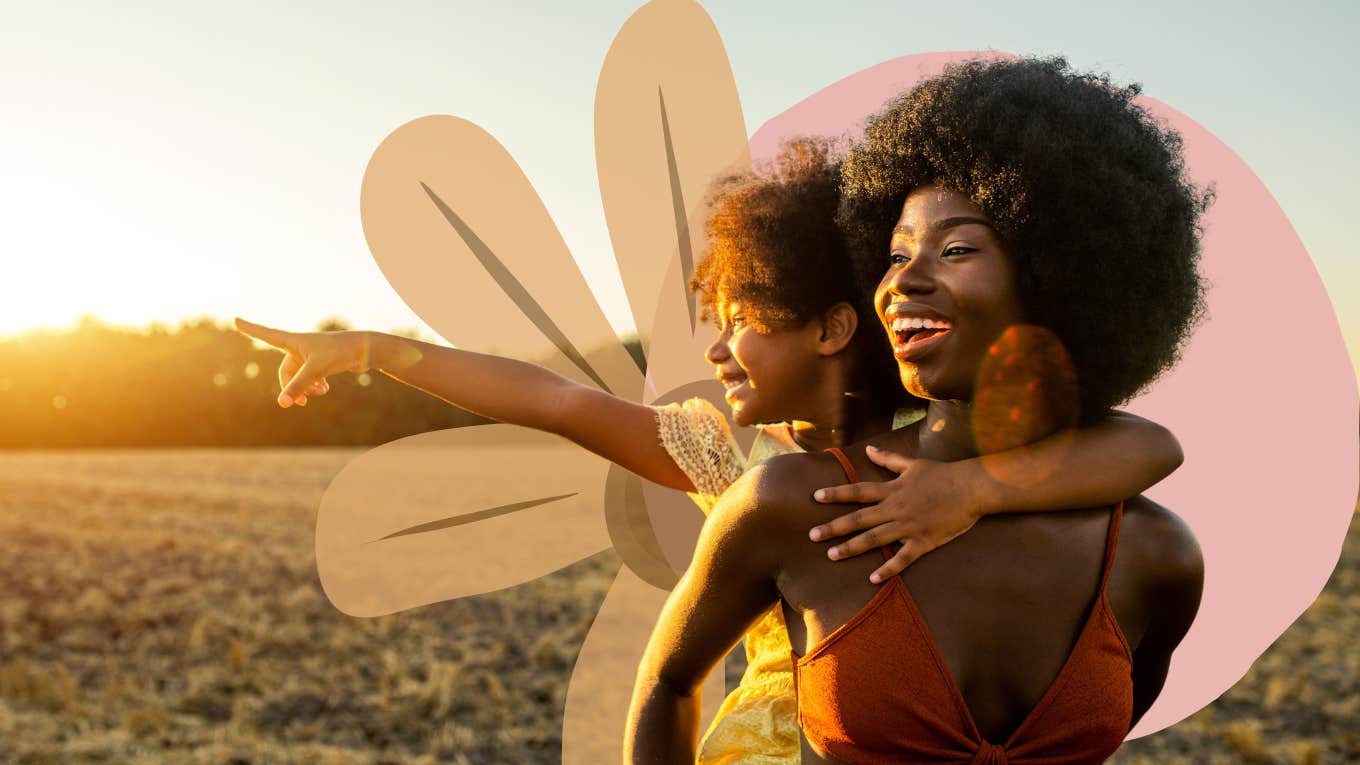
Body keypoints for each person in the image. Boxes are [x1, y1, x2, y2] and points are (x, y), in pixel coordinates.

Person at [238, 138, 1184, 764]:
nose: (715, 349)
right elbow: (554, 398)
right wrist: (374, 350)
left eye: (742, 320)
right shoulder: (735, 470)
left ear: (830, 328)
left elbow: (1145, 444)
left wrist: (970, 490)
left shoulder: (944, 449)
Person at [626, 57, 1207, 765]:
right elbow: (667, 683)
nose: (903, 279)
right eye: (895, 253)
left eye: (956, 248)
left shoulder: (1157, 554)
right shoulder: (795, 505)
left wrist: (976, 488)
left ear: (1064, 272)